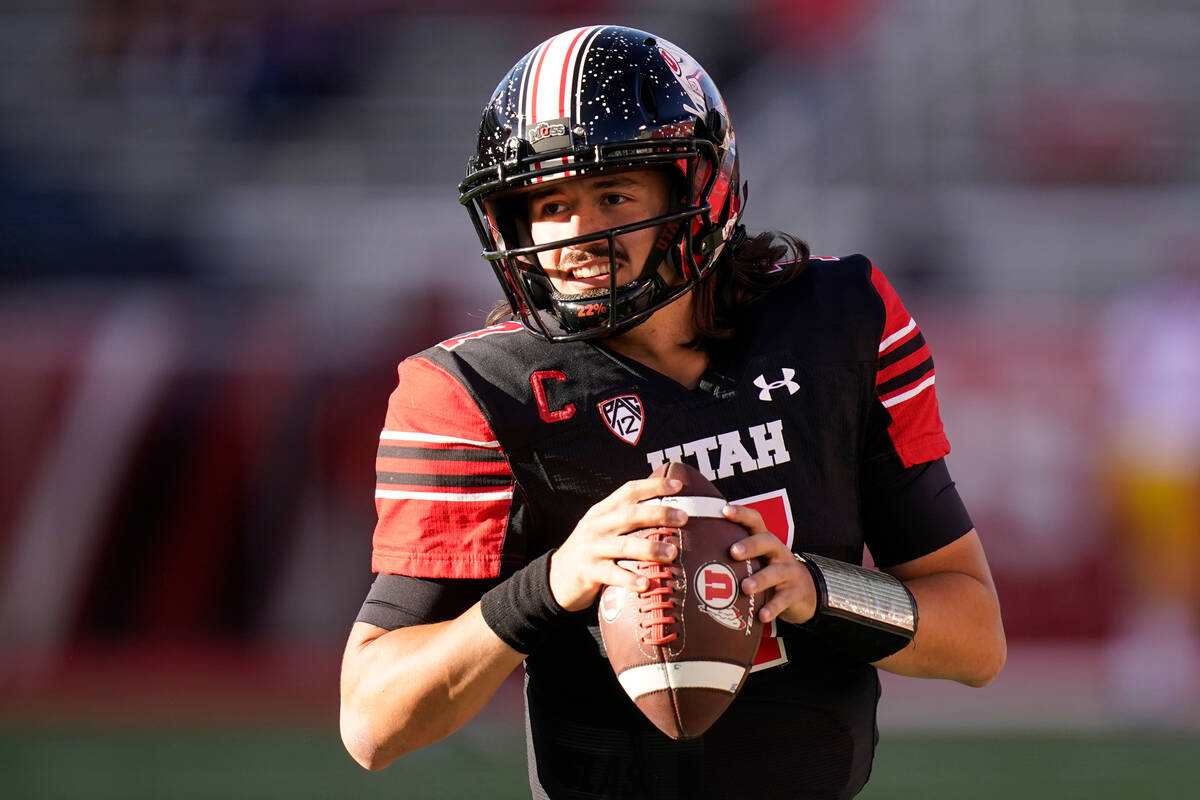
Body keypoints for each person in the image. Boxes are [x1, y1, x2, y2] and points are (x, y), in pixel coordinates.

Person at [339, 25, 1005, 799]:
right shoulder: (478, 392)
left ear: (697, 192)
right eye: (550, 204)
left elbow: (975, 638)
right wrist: (551, 584)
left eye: (613, 195)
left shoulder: (837, 320)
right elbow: (372, 722)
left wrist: (817, 593)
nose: (579, 236)